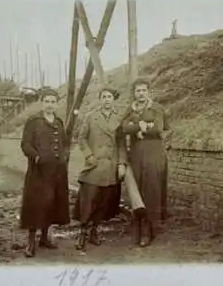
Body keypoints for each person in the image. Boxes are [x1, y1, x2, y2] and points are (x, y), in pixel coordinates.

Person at [73, 87, 127, 251]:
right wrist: (89, 155)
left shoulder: (119, 119)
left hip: (111, 167)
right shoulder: (91, 117)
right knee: (88, 200)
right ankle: (83, 232)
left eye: (109, 96)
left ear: (113, 99)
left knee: (103, 203)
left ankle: (94, 231)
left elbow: (121, 144)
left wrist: (121, 164)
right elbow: (81, 138)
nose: (106, 99)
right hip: (94, 165)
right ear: (100, 99)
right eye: (103, 96)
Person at [120, 77, 172, 247]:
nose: (141, 94)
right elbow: (123, 127)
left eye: (143, 90)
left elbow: (158, 127)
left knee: (151, 190)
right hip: (136, 154)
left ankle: (148, 231)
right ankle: (138, 226)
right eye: (138, 91)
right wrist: (139, 126)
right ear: (134, 93)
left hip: (153, 152)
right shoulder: (131, 109)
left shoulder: (156, 108)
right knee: (138, 191)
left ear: (148, 91)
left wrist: (142, 127)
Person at [19, 89, 70, 258]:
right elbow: (25, 144)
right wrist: (37, 157)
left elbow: (65, 143)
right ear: (42, 103)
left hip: (57, 172)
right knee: (36, 204)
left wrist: (65, 157)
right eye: (47, 101)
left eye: (53, 101)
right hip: (39, 171)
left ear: (56, 104)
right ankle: (31, 242)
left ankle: (44, 238)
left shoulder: (59, 122)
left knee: (51, 203)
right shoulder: (33, 121)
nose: (50, 105)